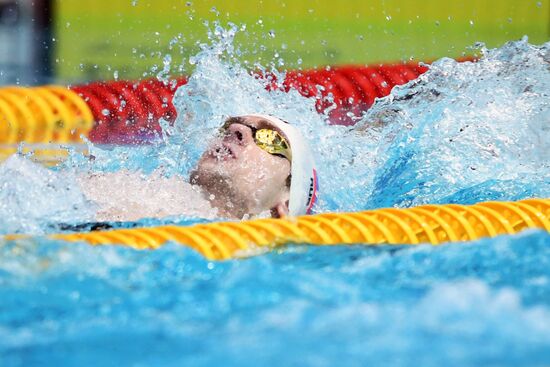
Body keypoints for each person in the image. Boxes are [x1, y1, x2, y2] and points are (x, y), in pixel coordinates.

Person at [76, 114, 318, 223]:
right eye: (228, 127)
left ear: (284, 204)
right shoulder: (130, 187)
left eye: (269, 138)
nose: (236, 130)